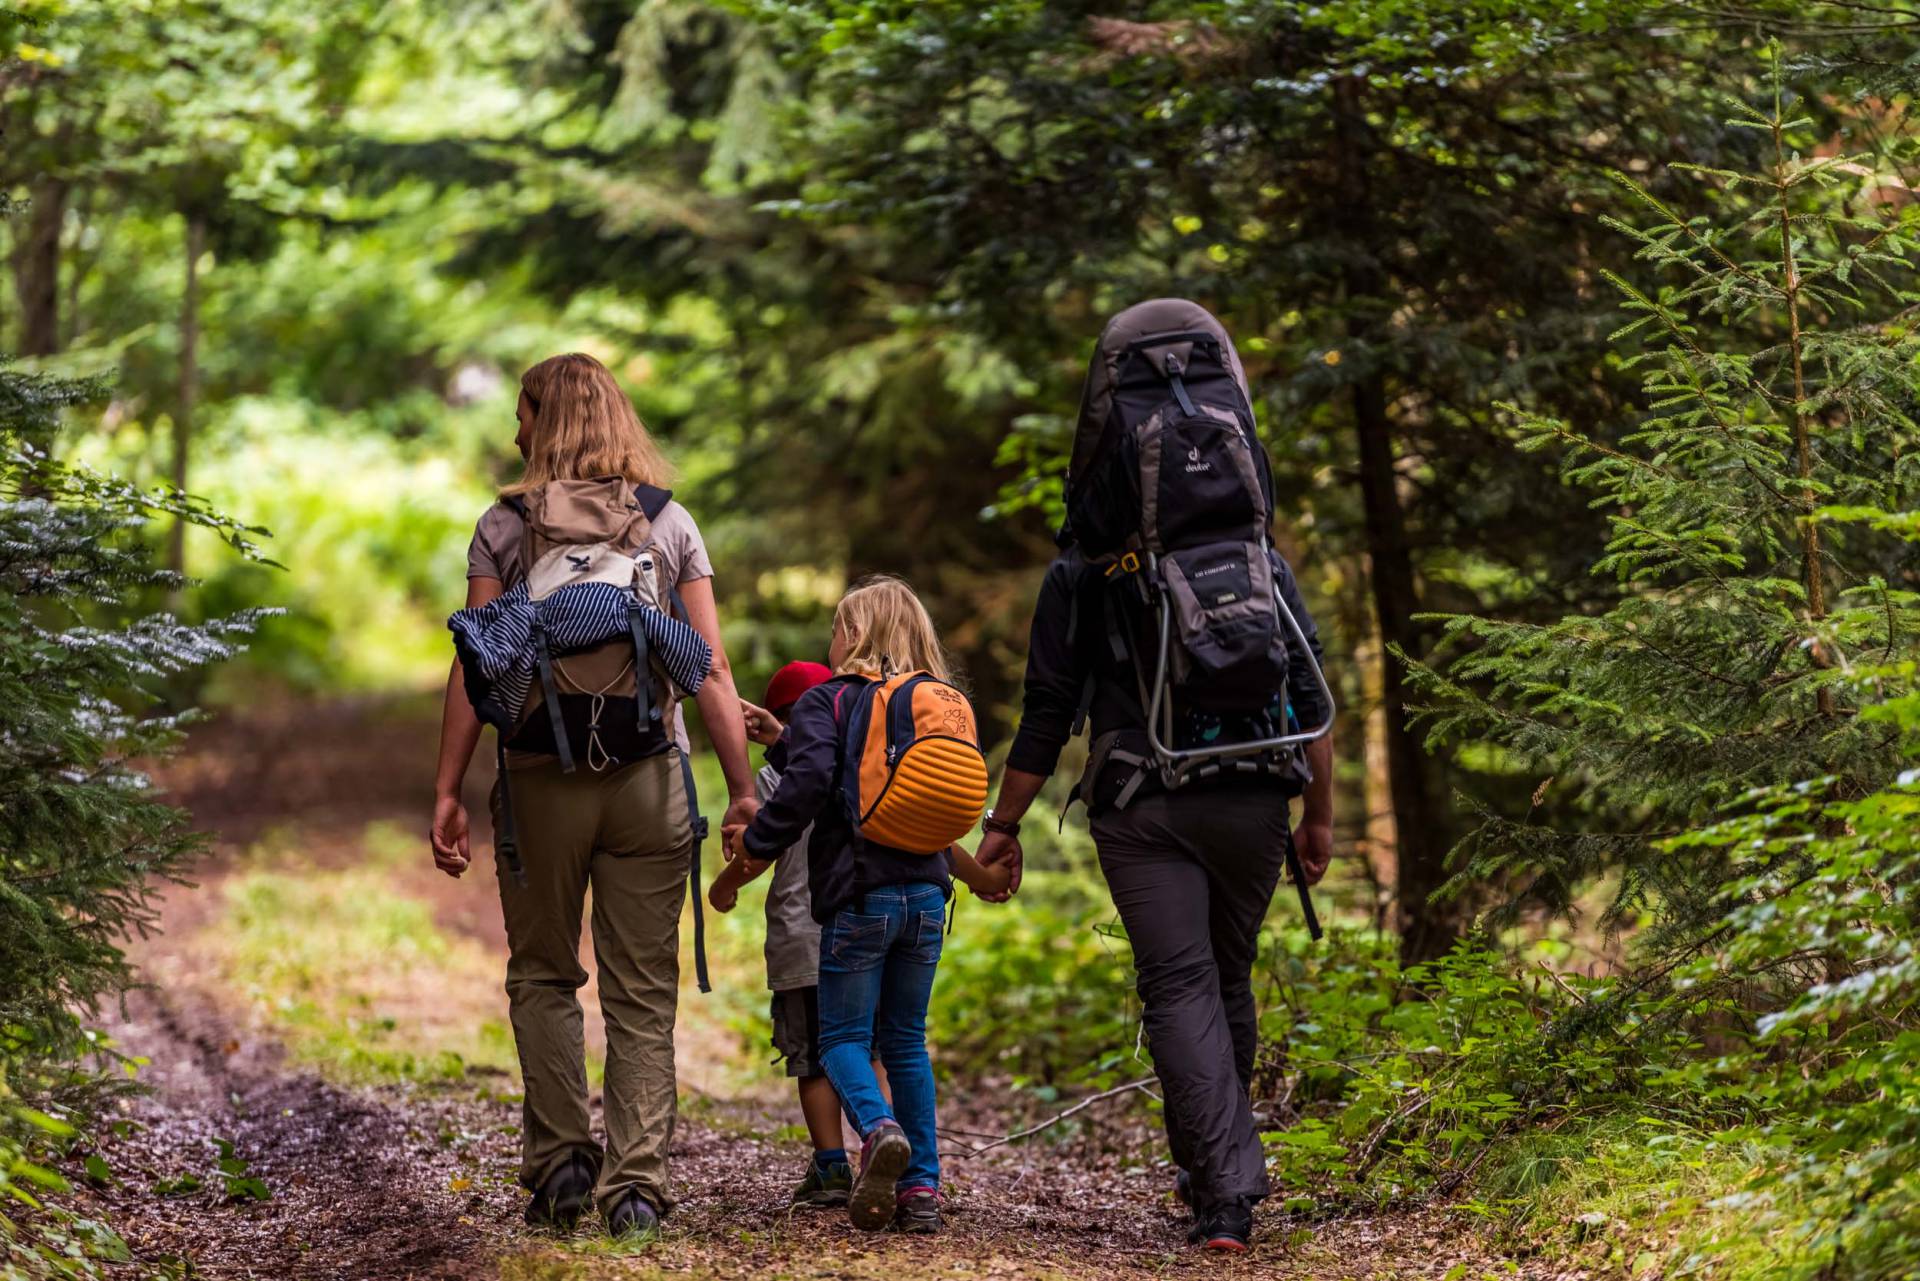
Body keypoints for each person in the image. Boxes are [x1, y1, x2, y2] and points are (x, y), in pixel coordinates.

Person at [972, 302, 1336, 1254]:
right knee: (1226, 978)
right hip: (1258, 785)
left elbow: (1047, 712)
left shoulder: (1084, 570)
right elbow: (1312, 687)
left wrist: (1001, 825)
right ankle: (1217, 1182)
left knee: (1177, 985)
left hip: (1143, 797)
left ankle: (1222, 1191)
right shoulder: (1259, 555)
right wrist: (1321, 816)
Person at [428, 352, 759, 1239]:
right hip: (651, 778)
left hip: (540, 781)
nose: (515, 432)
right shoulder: (668, 522)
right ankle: (637, 1188)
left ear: (547, 419)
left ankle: (564, 1164)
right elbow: (712, 665)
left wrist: (449, 787)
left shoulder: (503, 526)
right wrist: (741, 789)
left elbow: (473, 665)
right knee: (642, 995)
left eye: (524, 414)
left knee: (542, 974)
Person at [707, 576, 1013, 1236]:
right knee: (904, 1040)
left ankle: (876, 1131)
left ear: (857, 634)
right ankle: (922, 1188)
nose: (833, 638)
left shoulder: (832, 697)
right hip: (930, 895)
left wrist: (753, 844)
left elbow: (814, 784)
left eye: (839, 626)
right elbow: (858, 773)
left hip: (860, 893)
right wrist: (783, 737)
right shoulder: (935, 702)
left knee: (841, 1040)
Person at [736, 659, 891, 1208]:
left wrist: (729, 874)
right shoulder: (866, 763)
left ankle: (830, 1168)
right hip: (862, 925)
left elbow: (765, 846)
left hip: (800, 937)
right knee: (869, 1049)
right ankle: (882, 1143)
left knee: (812, 1060)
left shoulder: (775, 777)